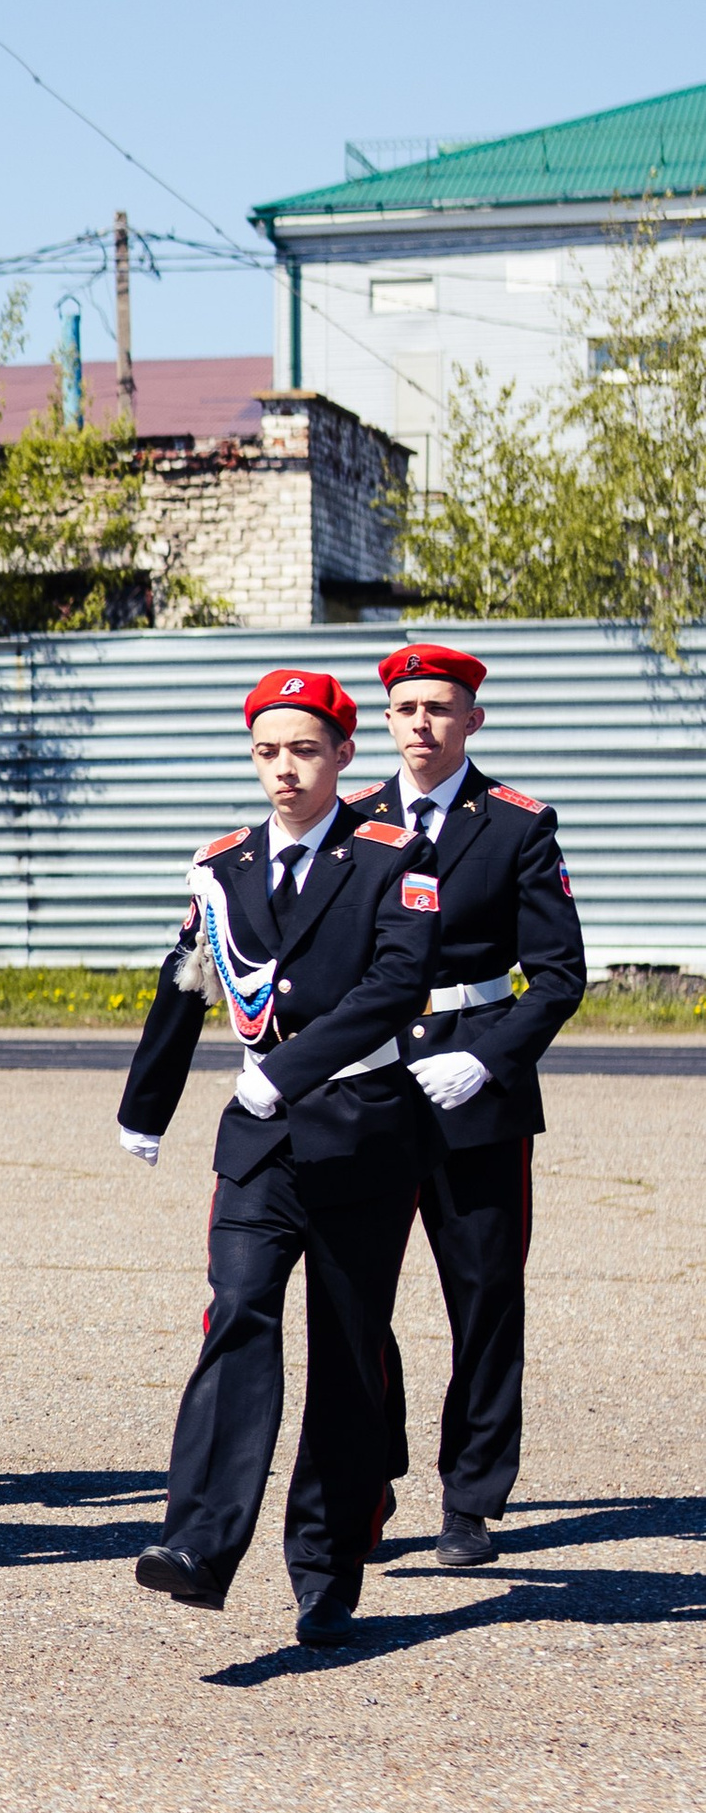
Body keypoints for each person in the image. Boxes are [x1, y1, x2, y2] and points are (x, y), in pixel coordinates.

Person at [117, 667, 439, 1647]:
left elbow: (394, 987)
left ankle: (326, 1567)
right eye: (266, 752)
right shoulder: (222, 868)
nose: (283, 770)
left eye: (303, 750)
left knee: (344, 1353)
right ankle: (200, 1543)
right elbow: (185, 982)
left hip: (361, 1130)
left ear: (344, 755)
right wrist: (146, 1103)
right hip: (258, 1141)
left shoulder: (393, 855)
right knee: (237, 1315)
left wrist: (288, 1068)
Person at [345, 643, 587, 1570]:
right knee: (354, 1295)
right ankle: (368, 1477)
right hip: (368, 1080)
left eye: (441, 709)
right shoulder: (354, 820)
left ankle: (472, 1498)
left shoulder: (517, 825)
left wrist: (487, 1061)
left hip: (476, 1086)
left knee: (484, 1296)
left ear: (472, 721)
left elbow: (559, 977)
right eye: (407, 708)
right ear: (386, 720)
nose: (422, 724)